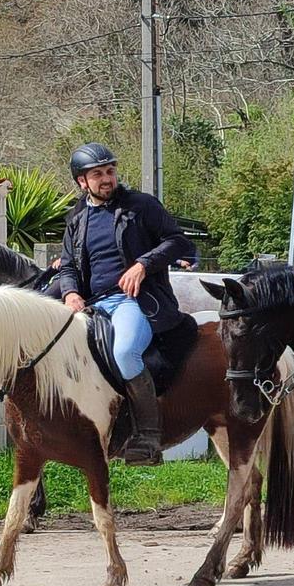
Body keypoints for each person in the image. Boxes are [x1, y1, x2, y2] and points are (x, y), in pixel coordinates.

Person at [58, 142, 192, 466]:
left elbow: (178, 241)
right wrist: (70, 294)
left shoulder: (142, 206)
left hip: (133, 302)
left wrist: (143, 264)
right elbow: (67, 267)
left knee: (124, 352)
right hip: (90, 307)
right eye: (98, 174)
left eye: (110, 171)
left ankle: (147, 438)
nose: (107, 179)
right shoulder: (76, 219)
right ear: (81, 181)